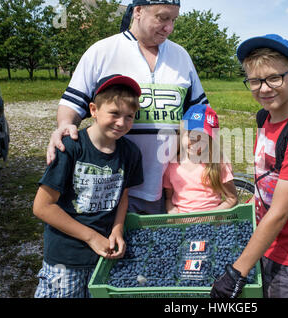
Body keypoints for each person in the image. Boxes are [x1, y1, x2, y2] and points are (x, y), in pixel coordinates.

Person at [46, 0, 208, 215]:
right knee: (116, 245)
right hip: (112, 186)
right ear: (138, 11)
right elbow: (72, 103)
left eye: (173, 20)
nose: (169, 27)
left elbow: (200, 112)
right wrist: (65, 125)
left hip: (168, 188)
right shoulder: (102, 51)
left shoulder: (181, 56)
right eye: (162, 18)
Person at [210, 34, 288, 298]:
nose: (264, 88)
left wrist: (236, 273)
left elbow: (279, 213)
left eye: (274, 78)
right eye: (254, 81)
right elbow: (265, 181)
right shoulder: (265, 119)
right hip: (263, 240)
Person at [33, 75, 144, 298]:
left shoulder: (130, 152)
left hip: (104, 257)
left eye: (129, 116)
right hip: (66, 258)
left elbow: (122, 195)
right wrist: (92, 237)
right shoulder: (70, 148)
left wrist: (117, 230)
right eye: (114, 113)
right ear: (93, 109)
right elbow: (42, 207)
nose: (121, 122)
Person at [163, 104, 238, 214]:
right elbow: (168, 199)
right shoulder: (171, 166)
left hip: (211, 225)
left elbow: (232, 199)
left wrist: (209, 217)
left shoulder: (217, 164)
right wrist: (172, 210)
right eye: (192, 137)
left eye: (202, 139)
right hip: (181, 225)